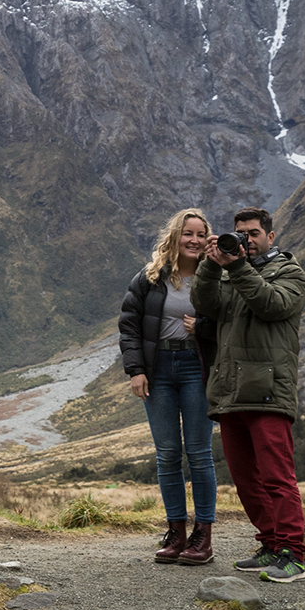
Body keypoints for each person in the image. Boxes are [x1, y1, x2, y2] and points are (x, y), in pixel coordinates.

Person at [194, 206, 305, 583]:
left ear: (270, 237)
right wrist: (212, 264)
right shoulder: (228, 273)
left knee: (277, 477)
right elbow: (204, 304)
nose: (246, 239)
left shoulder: (290, 273)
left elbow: (272, 305)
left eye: (254, 233)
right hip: (230, 390)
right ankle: (271, 545)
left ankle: (293, 555)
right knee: (245, 479)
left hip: (269, 391)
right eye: (240, 233)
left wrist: (237, 266)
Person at [119, 208, 218, 565]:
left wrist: (202, 328)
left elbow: (231, 324)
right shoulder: (149, 278)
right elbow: (129, 325)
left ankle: (202, 536)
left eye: (199, 234)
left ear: (208, 240)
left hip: (196, 368)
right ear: (175, 237)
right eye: (186, 233)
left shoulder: (216, 277)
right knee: (167, 454)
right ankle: (176, 533)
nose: (193, 240)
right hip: (158, 369)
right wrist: (136, 370)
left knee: (199, 453)